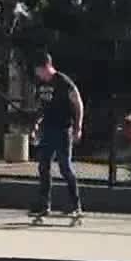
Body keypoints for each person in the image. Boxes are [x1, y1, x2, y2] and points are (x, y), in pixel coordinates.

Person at [31, 52, 83, 215]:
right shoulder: (40, 85)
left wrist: (78, 127)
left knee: (65, 167)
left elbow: (78, 103)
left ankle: (75, 205)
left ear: (46, 67)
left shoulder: (63, 81)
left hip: (63, 129)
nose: (37, 74)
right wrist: (35, 126)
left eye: (38, 70)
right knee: (43, 166)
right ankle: (44, 205)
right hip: (47, 130)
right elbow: (41, 108)